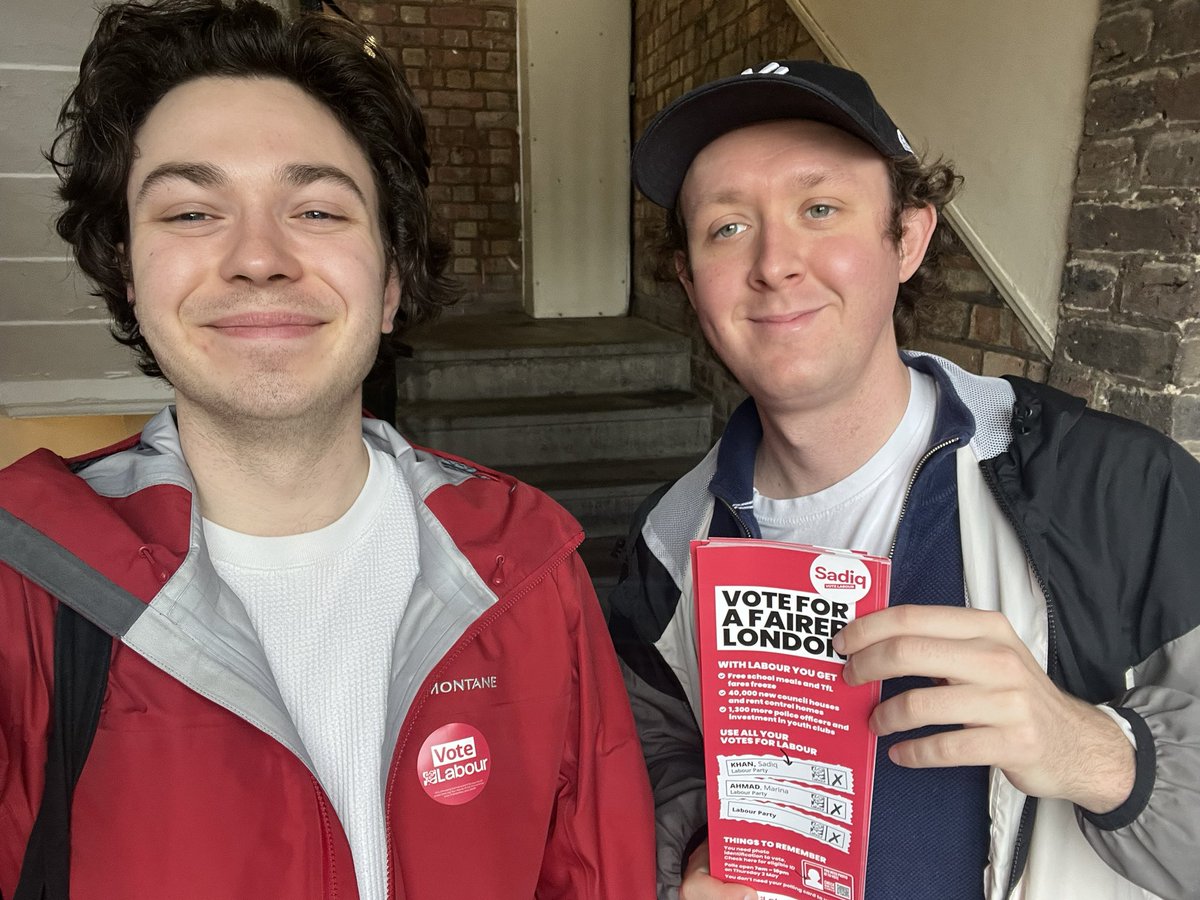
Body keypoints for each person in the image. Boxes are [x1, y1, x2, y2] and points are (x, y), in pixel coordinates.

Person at [0, 1, 655, 897]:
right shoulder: (22, 582)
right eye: (192, 213)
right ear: (126, 274)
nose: (258, 257)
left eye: (314, 209)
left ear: (390, 280)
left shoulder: (529, 568)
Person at [607, 59, 1200, 900]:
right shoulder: (669, 546)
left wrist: (1101, 755)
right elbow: (651, 764)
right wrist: (697, 855)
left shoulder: (1116, 489)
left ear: (909, 239)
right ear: (689, 282)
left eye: (820, 209)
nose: (775, 263)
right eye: (727, 227)